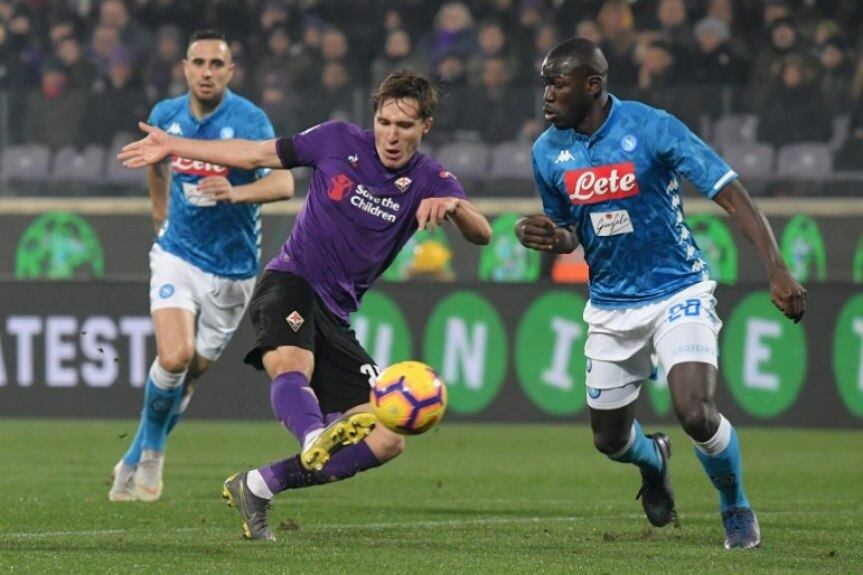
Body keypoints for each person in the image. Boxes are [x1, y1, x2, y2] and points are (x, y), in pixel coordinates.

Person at [118, 70, 492, 540]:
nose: (391, 136)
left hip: (335, 315)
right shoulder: (336, 139)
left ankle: (259, 484)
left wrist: (456, 209)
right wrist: (176, 145)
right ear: (372, 118)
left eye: (405, 126)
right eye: (384, 122)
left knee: (387, 439)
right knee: (291, 363)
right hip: (290, 281)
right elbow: (255, 153)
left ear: (426, 127)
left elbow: (484, 233)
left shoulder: (430, 179)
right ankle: (315, 435)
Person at [515, 38, 806, 549]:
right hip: (609, 304)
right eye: (545, 84)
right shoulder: (547, 152)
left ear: (593, 85)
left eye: (557, 84)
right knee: (608, 440)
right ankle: (654, 461)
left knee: (695, 411)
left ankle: (735, 506)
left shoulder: (651, 127)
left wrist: (777, 268)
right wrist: (549, 237)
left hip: (678, 290)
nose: (547, 95)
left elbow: (731, 194)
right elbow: (570, 231)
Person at [108, 29, 294, 502]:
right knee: (173, 357)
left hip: (233, 273)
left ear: (230, 71)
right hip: (178, 256)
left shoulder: (249, 119)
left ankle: (135, 454)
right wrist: (159, 216)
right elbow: (156, 164)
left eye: (217, 64)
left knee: (188, 375)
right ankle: (152, 455)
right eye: (199, 63)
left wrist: (238, 191)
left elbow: (284, 186)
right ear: (185, 68)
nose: (206, 72)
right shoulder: (165, 116)